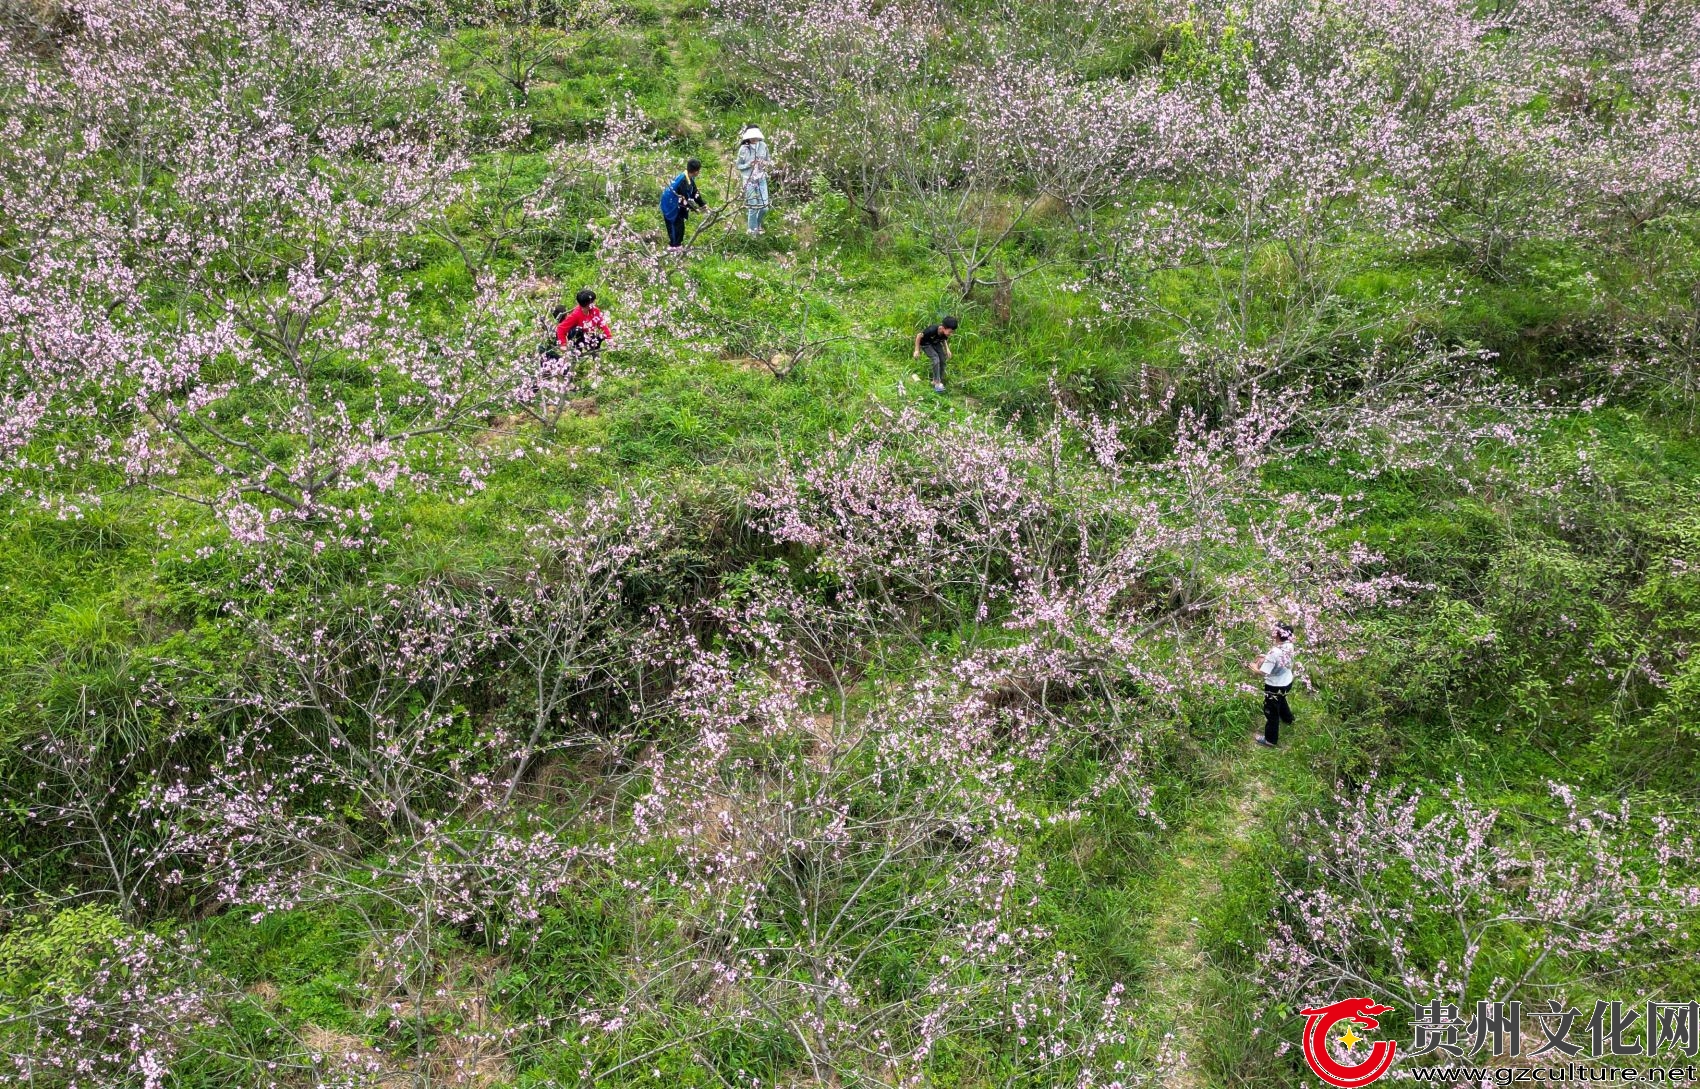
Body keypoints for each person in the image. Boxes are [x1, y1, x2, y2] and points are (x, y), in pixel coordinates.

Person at [1249, 622, 1296, 747]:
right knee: (1281, 699)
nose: (1272, 633)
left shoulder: (1274, 652)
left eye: (1275, 632)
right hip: (1287, 681)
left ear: (1278, 635)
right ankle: (1288, 719)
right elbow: (1279, 660)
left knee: (1271, 711)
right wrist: (1265, 657)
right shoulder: (1289, 645)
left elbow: (1264, 672)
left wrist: (1254, 667)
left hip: (1274, 686)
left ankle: (1270, 740)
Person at [660, 158, 708, 252]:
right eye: (698, 170)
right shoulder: (682, 181)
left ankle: (678, 245)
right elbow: (685, 200)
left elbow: (694, 192)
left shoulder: (689, 177)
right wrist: (695, 209)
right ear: (695, 171)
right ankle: (673, 246)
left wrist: (702, 204)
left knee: (680, 225)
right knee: (675, 225)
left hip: (678, 203)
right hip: (670, 205)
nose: (699, 172)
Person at [734, 125, 771, 235]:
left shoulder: (764, 146)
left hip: (761, 179)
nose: (754, 139)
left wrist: (763, 163)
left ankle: (757, 225)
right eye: (752, 137)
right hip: (748, 180)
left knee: (764, 207)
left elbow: (768, 161)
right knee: (753, 207)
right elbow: (738, 166)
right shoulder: (743, 149)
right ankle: (752, 232)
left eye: (756, 137)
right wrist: (748, 164)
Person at [557, 289, 613, 355]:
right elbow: (560, 328)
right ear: (588, 304)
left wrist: (609, 338)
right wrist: (563, 344)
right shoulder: (575, 315)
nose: (594, 303)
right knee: (578, 330)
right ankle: (577, 352)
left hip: (589, 335)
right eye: (593, 301)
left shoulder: (595, 311)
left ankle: (594, 352)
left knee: (600, 335)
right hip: (577, 336)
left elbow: (602, 324)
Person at [913, 316, 959, 394]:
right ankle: (936, 382)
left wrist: (947, 349)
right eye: (950, 331)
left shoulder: (945, 333)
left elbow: (943, 340)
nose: (951, 334)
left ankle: (939, 380)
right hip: (926, 344)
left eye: (952, 332)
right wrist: (917, 350)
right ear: (943, 328)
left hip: (935, 343)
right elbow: (918, 336)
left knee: (943, 360)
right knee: (935, 359)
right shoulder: (931, 330)